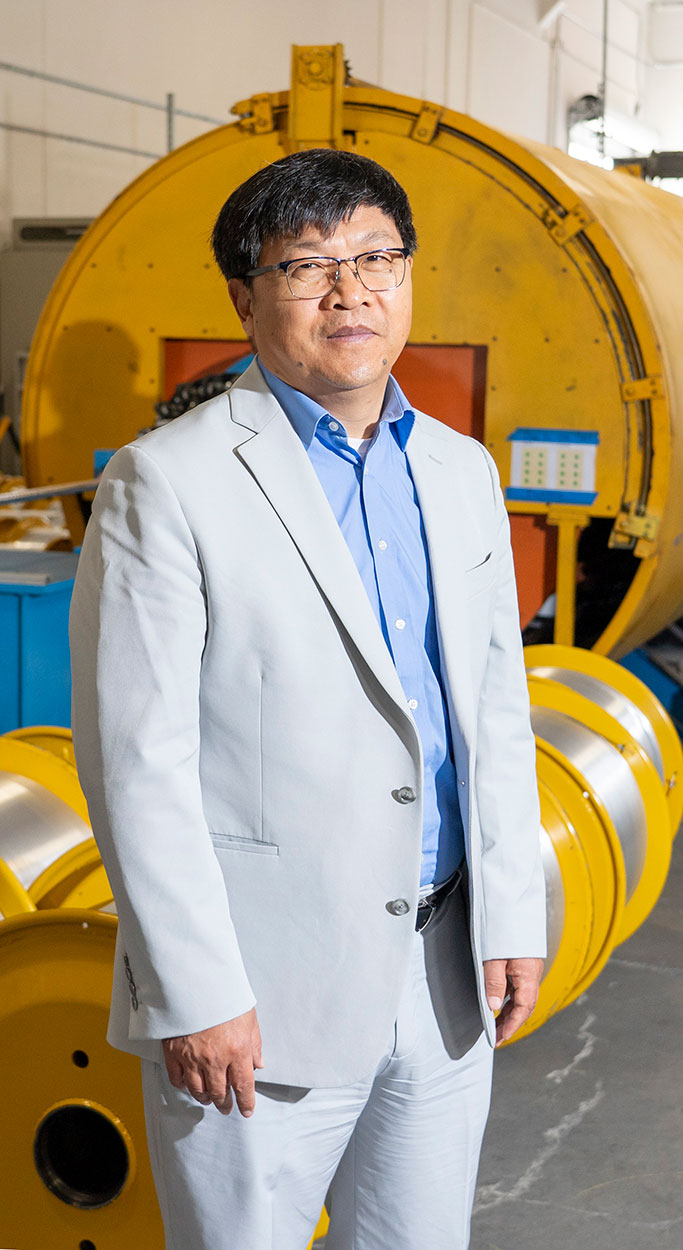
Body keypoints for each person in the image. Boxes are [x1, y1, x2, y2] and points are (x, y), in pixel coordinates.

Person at [69, 148, 546, 1250]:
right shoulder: (169, 481)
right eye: (309, 264)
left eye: (376, 257)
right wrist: (192, 988)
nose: (352, 290)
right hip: (257, 993)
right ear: (244, 297)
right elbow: (137, 760)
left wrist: (510, 911)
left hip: (440, 971)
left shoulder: (461, 471)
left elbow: (491, 704)